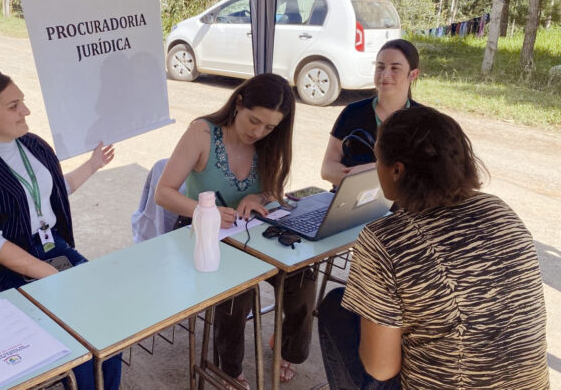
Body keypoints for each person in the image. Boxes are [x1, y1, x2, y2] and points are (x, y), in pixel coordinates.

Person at [317, 106, 549, 389]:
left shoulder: (385, 240)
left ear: (397, 170)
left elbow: (380, 367)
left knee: (334, 306)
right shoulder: (500, 210)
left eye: (377, 160)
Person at [0, 68, 119, 390]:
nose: (26, 111)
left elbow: (50, 193)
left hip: (53, 249)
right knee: (67, 334)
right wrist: (54, 278)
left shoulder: (33, 145)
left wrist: (92, 165)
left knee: (107, 326)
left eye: (22, 101)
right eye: (13, 106)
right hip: (0, 267)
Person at [155, 73, 316, 387]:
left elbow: (274, 191)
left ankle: (289, 350)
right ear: (238, 103)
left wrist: (258, 196)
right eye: (254, 121)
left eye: (269, 127)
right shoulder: (202, 132)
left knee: (303, 275)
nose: (258, 132)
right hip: (202, 231)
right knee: (238, 290)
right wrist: (208, 211)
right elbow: (164, 193)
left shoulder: (269, 142)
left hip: (249, 229)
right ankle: (227, 368)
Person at [321, 39, 422, 187]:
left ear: (413, 75)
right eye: (380, 67)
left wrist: (375, 170)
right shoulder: (352, 112)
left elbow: (428, 175)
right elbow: (327, 167)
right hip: (352, 201)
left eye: (395, 68)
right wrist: (356, 182)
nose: (385, 74)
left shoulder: (424, 120)